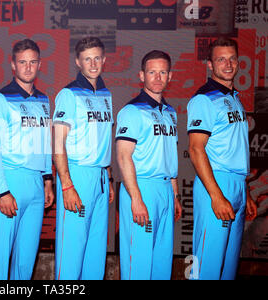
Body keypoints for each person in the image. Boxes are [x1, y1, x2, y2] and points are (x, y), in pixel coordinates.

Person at [187, 37, 257, 280]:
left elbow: (235, 148)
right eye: (220, 60)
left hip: (236, 185)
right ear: (209, 64)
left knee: (227, 270)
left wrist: (245, 192)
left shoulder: (234, 97)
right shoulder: (204, 99)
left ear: (238, 62)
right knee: (204, 267)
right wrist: (217, 196)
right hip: (215, 185)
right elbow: (196, 150)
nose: (227, 64)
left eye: (232, 59)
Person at [0, 39, 54, 280]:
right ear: (13, 65)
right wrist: (2, 191)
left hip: (36, 186)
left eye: (32, 62)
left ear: (39, 64)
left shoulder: (44, 100)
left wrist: (47, 180)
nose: (27, 67)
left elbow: (45, 142)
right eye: (22, 62)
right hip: (10, 182)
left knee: (26, 260)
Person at [115, 50, 182, 280]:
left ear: (170, 76)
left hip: (164, 190)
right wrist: (136, 198)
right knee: (139, 266)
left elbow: (169, 155)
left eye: (163, 72)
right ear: (141, 75)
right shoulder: (131, 111)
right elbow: (124, 157)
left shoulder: (170, 112)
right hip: (141, 189)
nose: (157, 77)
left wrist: (174, 193)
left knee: (161, 266)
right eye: (152, 72)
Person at [53, 36, 114, 280]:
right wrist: (66, 185)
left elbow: (104, 139)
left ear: (104, 60)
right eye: (87, 59)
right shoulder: (68, 94)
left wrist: (108, 177)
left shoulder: (106, 93)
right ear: (78, 62)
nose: (92, 63)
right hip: (76, 175)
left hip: (100, 177)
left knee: (95, 252)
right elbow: (58, 142)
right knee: (72, 252)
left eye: (97, 58)